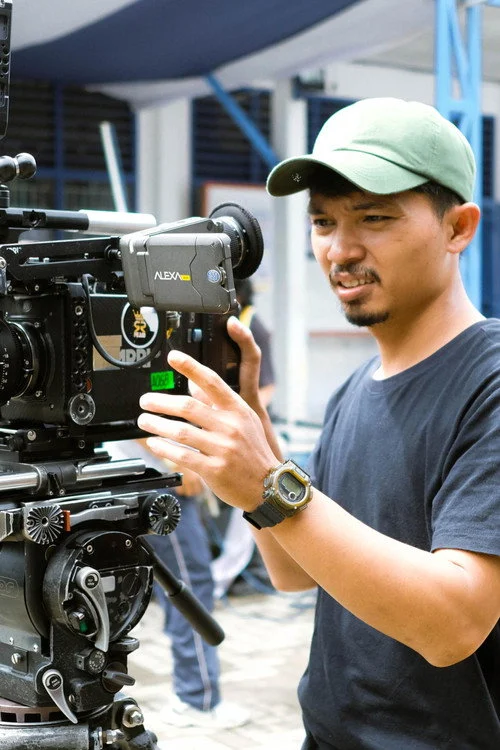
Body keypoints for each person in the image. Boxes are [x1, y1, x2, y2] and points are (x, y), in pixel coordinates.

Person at [135, 97, 500, 749]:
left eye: (374, 217)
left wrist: (269, 482)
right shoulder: (355, 391)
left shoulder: (488, 382)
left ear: (458, 228)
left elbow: (455, 623)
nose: (340, 248)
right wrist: (254, 428)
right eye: (323, 222)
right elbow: (293, 572)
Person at [104, 438, 249, 729]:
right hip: (158, 481)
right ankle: (197, 699)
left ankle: (191, 693)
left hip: (146, 478)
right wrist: (178, 463)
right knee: (189, 586)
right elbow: (141, 419)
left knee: (174, 585)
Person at [209, 276, 276, 598]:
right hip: (220, 427)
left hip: (252, 433)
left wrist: (247, 415)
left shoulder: (252, 326)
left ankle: (222, 576)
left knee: (251, 505)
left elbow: (268, 387)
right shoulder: (215, 327)